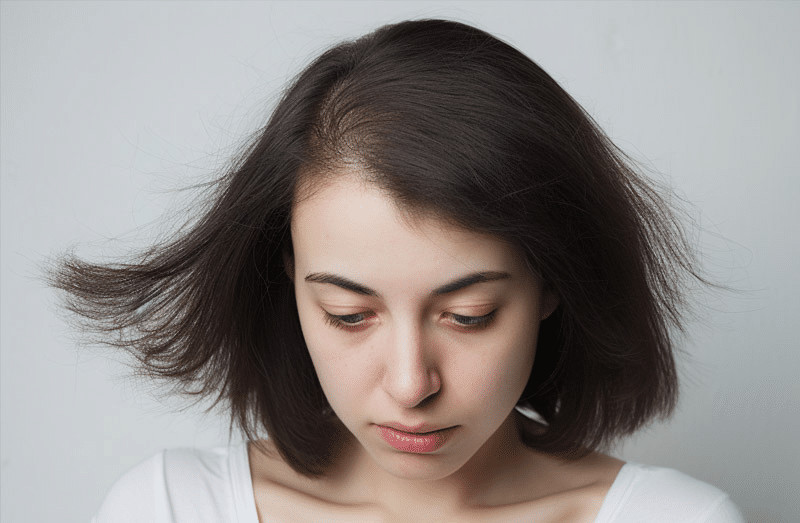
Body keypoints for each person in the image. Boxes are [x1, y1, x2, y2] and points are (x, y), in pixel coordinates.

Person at [54, 19, 745, 522]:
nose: (411, 383)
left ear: (550, 285)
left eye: (468, 314)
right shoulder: (170, 508)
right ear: (291, 281)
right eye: (349, 315)